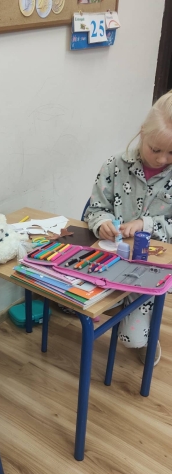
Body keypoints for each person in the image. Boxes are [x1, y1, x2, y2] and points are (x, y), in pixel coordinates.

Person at [84, 90, 172, 365]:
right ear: (142, 134)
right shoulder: (114, 166)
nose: (162, 160)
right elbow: (94, 210)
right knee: (75, 302)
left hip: (153, 268)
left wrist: (147, 224)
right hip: (109, 260)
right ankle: (121, 306)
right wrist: (102, 223)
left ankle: (144, 328)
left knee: (132, 338)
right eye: (155, 150)